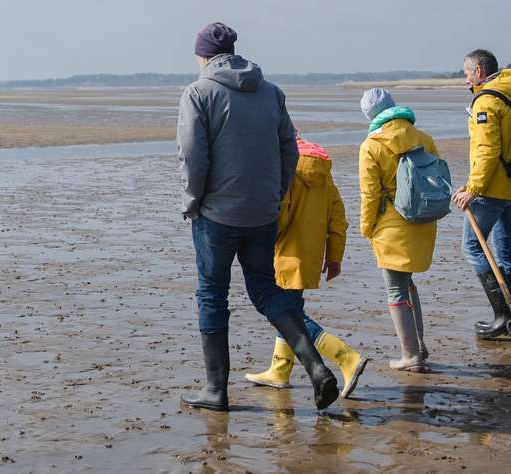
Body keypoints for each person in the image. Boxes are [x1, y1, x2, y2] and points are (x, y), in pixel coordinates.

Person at [177, 22, 341, 412]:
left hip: (217, 214)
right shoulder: (270, 92)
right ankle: (317, 370)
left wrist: (192, 201)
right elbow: (290, 151)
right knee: (268, 292)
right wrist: (275, 195)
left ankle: (216, 390)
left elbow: (192, 156)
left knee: (211, 293)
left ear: (203, 56)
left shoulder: (198, 92)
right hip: (262, 214)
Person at [241, 133, 370, 398]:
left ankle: (345, 357)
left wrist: (257, 243)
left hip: (285, 254)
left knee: (287, 315)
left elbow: (279, 214)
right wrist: (334, 256)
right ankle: (280, 369)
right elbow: (337, 215)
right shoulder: (322, 168)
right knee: (289, 308)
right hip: (310, 255)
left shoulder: (284, 166)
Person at [451, 48, 511, 341]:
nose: (465, 80)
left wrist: (472, 189)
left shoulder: (487, 100)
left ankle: (502, 315)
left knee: (472, 247)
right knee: (505, 249)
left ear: (478, 71)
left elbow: (487, 151)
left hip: (491, 190)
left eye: (466, 73)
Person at [357, 88, 441, 371]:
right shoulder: (424, 138)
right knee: (409, 284)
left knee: (395, 291)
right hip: (423, 220)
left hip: (391, 226)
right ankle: (420, 346)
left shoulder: (371, 145)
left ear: (370, 115)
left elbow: (370, 195)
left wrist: (366, 228)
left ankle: (411, 356)